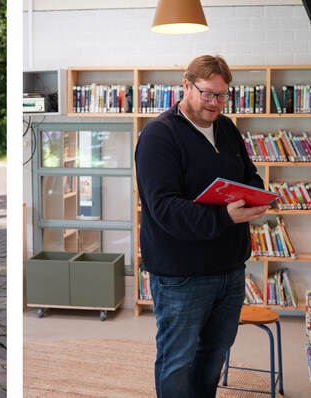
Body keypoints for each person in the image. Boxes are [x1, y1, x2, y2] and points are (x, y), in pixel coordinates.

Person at [134, 54, 269, 398]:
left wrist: (256, 198)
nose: (215, 103)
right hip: (181, 274)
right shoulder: (158, 136)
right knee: (177, 360)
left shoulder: (226, 128)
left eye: (222, 95)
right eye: (207, 93)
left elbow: (248, 174)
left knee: (214, 355)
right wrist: (224, 216)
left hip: (229, 268)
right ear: (186, 86)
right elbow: (163, 208)